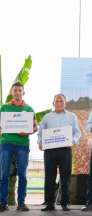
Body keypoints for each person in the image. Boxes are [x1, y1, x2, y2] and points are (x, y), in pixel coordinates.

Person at [38, 94, 81, 211]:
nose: (59, 103)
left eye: (61, 101)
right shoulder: (47, 117)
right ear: (53, 103)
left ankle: (65, 203)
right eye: (56, 101)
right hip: (49, 151)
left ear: (65, 103)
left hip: (65, 150)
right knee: (49, 178)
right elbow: (41, 133)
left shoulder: (72, 116)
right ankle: (50, 203)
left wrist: (72, 141)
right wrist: (40, 142)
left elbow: (77, 133)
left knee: (65, 178)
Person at [0, 82, 37, 212]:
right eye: (15, 90)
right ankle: (2, 203)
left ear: (23, 92)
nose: (17, 92)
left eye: (19, 90)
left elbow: (35, 127)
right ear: (12, 92)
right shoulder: (4, 108)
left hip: (22, 144)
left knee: (23, 174)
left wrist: (27, 132)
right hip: (6, 143)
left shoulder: (29, 109)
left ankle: (21, 203)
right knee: (4, 173)